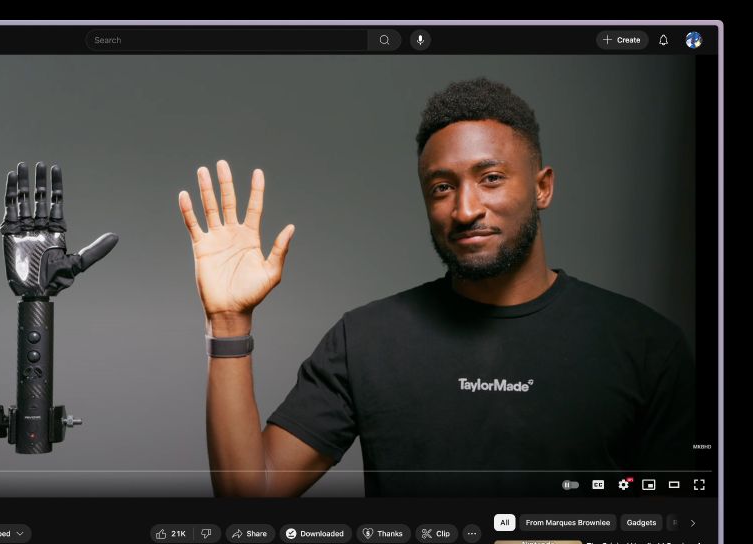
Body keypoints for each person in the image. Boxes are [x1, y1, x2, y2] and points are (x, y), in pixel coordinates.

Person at [176, 77, 695, 497]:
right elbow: (251, 493)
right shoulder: (366, 340)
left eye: (491, 178)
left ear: (542, 187)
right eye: (442, 187)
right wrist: (228, 321)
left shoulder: (645, 346)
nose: (465, 209)